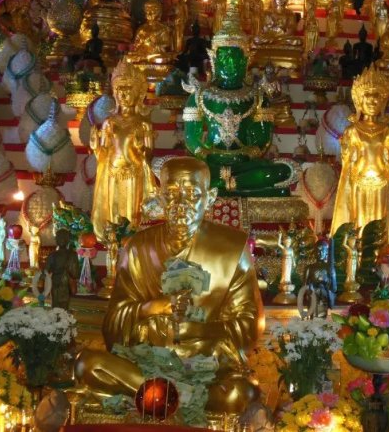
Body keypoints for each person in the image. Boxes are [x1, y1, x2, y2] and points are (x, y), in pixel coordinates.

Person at [75, 157, 264, 414]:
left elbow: (250, 325)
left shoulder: (231, 248)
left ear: (210, 198)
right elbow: (113, 324)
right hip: (145, 363)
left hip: (206, 367)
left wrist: (198, 330)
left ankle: (159, 396)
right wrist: (151, 309)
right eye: (172, 194)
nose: (181, 205)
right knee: (87, 364)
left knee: (239, 394)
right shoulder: (138, 248)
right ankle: (180, 397)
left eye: (192, 195)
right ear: (160, 197)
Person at [331, 66, 389, 249]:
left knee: (380, 219)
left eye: (377, 97)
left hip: (382, 181)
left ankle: (379, 249)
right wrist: (346, 149)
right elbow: (347, 160)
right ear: (359, 101)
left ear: (383, 102)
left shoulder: (388, 131)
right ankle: (356, 250)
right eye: (367, 96)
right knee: (359, 220)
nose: (372, 101)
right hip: (359, 182)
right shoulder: (352, 131)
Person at [90, 60, 156, 240]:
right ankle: (112, 239)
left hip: (134, 173)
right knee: (112, 210)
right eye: (119, 90)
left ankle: (132, 238)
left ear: (139, 93)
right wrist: (96, 146)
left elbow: (149, 156)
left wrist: (141, 148)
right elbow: (103, 154)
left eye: (128, 89)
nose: (123, 94)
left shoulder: (143, 124)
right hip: (112, 172)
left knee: (132, 213)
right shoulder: (109, 122)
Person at [45, 230, 79, 310]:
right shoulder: (53, 255)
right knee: (58, 307)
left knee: (60, 307)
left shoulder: (72, 255)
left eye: (62, 238)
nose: (60, 240)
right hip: (57, 284)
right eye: (59, 238)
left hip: (63, 284)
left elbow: (76, 274)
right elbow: (45, 272)